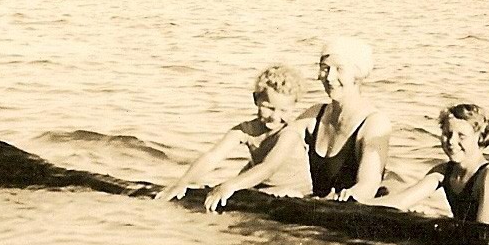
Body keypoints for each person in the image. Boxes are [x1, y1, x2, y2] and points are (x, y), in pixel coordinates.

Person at [204, 38, 392, 211]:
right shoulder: (315, 114)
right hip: (314, 208)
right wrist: (241, 184)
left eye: (339, 69)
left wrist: (347, 198)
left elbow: (368, 185)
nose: (329, 77)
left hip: (350, 213)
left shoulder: (375, 123)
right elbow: (270, 152)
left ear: (358, 75)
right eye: (325, 68)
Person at [156, 65, 310, 202]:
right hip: (262, 188)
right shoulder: (245, 130)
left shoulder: (290, 133)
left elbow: (269, 167)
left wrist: (229, 185)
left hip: (295, 194)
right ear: (256, 99)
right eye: (269, 108)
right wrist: (182, 182)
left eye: (284, 110)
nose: (275, 117)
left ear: (294, 107)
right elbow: (213, 156)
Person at [367, 104, 489, 227]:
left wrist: (438, 219)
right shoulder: (443, 172)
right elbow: (400, 201)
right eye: (447, 134)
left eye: (461, 136)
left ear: (480, 138)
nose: (451, 141)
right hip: (466, 239)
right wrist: (361, 204)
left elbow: (482, 230)